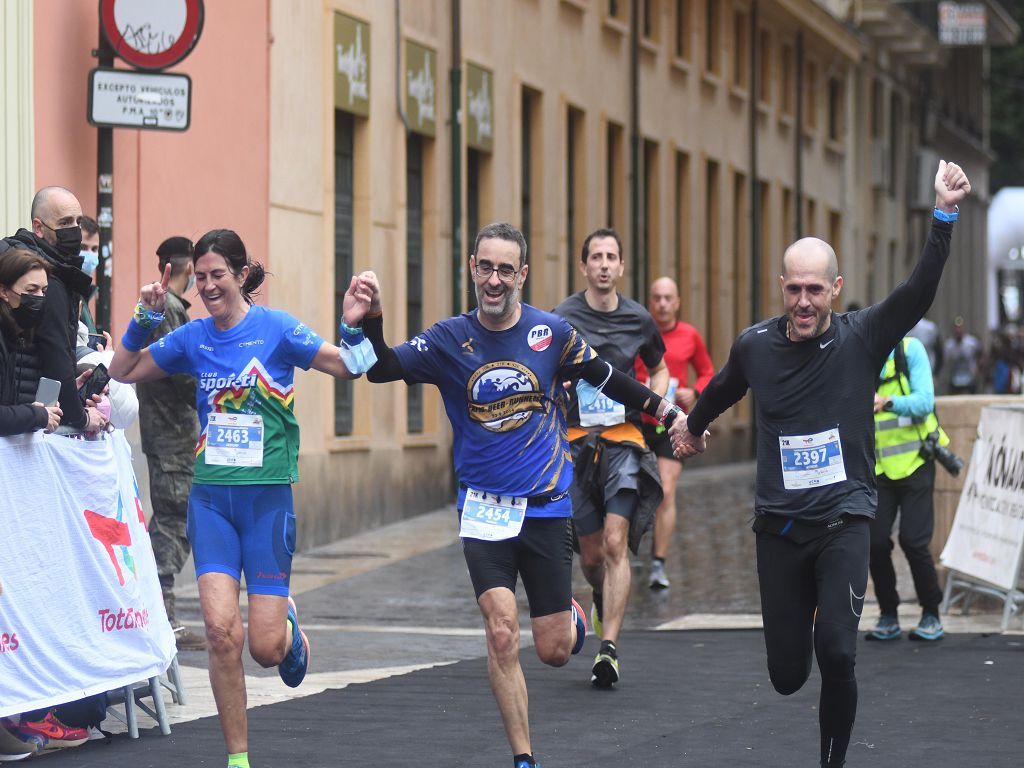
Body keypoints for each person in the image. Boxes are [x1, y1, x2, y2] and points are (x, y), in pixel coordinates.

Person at [670, 160, 972, 767]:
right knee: (786, 674)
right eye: (794, 288)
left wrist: (943, 215)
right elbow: (724, 387)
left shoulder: (865, 335)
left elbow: (918, 290)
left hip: (843, 520)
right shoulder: (757, 345)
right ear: (781, 286)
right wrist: (692, 429)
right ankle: (805, 625)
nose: (803, 302)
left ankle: (831, 760)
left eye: (815, 289)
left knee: (838, 651)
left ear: (834, 289)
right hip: (779, 528)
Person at [360, 222, 679, 768]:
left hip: (546, 508)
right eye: (486, 266)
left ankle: (576, 618)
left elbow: (607, 378)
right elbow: (383, 368)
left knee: (553, 650)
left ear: (522, 276)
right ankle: (524, 758)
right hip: (482, 511)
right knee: (502, 632)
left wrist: (668, 413)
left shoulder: (551, 333)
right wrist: (372, 321)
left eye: (506, 269)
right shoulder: (446, 339)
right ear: (472, 268)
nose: (494, 279)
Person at [109, 228, 376, 768]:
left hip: (266, 502)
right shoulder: (192, 337)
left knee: (264, 647)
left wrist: (353, 322)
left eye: (218, 276)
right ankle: (238, 759)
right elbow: (122, 371)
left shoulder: (276, 329)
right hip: (210, 502)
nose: (208, 286)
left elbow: (350, 366)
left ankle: (288, 631)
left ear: (239, 274)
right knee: (219, 632)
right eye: (201, 277)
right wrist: (144, 316)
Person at [554, 228, 668, 688]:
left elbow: (658, 368)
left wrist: (654, 407)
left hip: (623, 440)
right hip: (577, 443)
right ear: (584, 266)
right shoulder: (562, 316)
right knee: (593, 555)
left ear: (621, 267)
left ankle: (609, 648)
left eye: (611, 257)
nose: (603, 264)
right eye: (595, 257)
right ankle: (602, 601)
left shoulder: (639, 319)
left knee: (617, 544)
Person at [135, 236, 206, 652]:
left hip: (174, 434)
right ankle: (162, 615)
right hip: (171, 434)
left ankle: (160, 610)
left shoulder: (173, 309)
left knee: (175, 516)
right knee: (172, 519)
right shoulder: (169, 311)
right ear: (188, 268)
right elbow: (180, 374)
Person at [1, 187, 106, 434]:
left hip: (29, 416)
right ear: (38, 227)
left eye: (78, 222)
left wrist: (59, 399)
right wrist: (79, 418)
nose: (75, 231)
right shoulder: (50, 277)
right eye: (65, 222)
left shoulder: (53, 272)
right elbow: (55, 355)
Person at [635, 276, 714, 589]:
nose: (663, 304)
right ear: (650, 302)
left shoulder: (690, 336)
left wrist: (694, 391)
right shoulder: (639, 331)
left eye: (668, 298)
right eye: (657, 298)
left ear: (678, 302)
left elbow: (708, 372)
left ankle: (658, 562)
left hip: (671, 424)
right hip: (636, 423)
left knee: (666, 489)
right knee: (633, 489)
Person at [867, 335, 947, 642]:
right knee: (873, 542)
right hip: (880, 468)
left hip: (916, 461)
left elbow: (925, 402)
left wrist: (887, 402)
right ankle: (888, 614)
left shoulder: (910, 350)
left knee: (913, 541)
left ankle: (931, 613)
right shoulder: (863, 354)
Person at [0, 248, 61, 436]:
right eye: (31, 290)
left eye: (44, 291)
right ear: (3, 291)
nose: (40, 298)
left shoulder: (18, 334)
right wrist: (36, 415)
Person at [942, 316, 980, 394]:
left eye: (960, 328)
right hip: (954, 379)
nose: (958, 331)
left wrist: (977, 370)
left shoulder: (972, 343)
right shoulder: (948, 345)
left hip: (969, 379)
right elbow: (945, 362)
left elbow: (980, 356)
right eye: (956, 328)